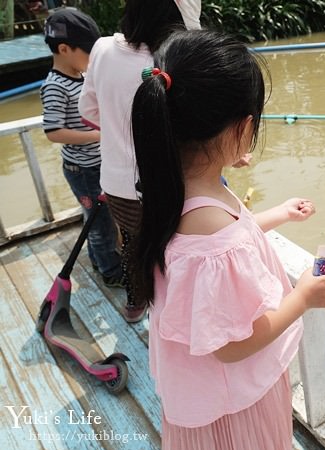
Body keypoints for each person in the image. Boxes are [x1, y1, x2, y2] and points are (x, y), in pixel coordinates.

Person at [130, 30, 325, 450]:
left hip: (203, 394)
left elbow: (231, 236)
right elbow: (232, 347)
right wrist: (303, 296)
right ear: (243, 127)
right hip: (232, 407)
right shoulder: (211, 233)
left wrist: (278, 214)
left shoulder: (176, 188)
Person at [78, 0, 201, 322]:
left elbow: (88, 111)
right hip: (171, 187)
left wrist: (120, 129)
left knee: (133, 244)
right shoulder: (177, 60)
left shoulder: (102, 48)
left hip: (117, 184)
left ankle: (136, 304)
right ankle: (179, 314)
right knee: (179, 251)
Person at [40, 8, 124, 288]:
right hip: (83, 169)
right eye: (88, 53)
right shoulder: (54, 85)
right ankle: (111, 271)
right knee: (99, 223)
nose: (94, 59)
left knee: (103, 218)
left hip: (99, 164)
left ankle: (99, 257)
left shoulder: (82, 76)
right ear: (65, 49)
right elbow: (54, 132)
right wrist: (99, 135)